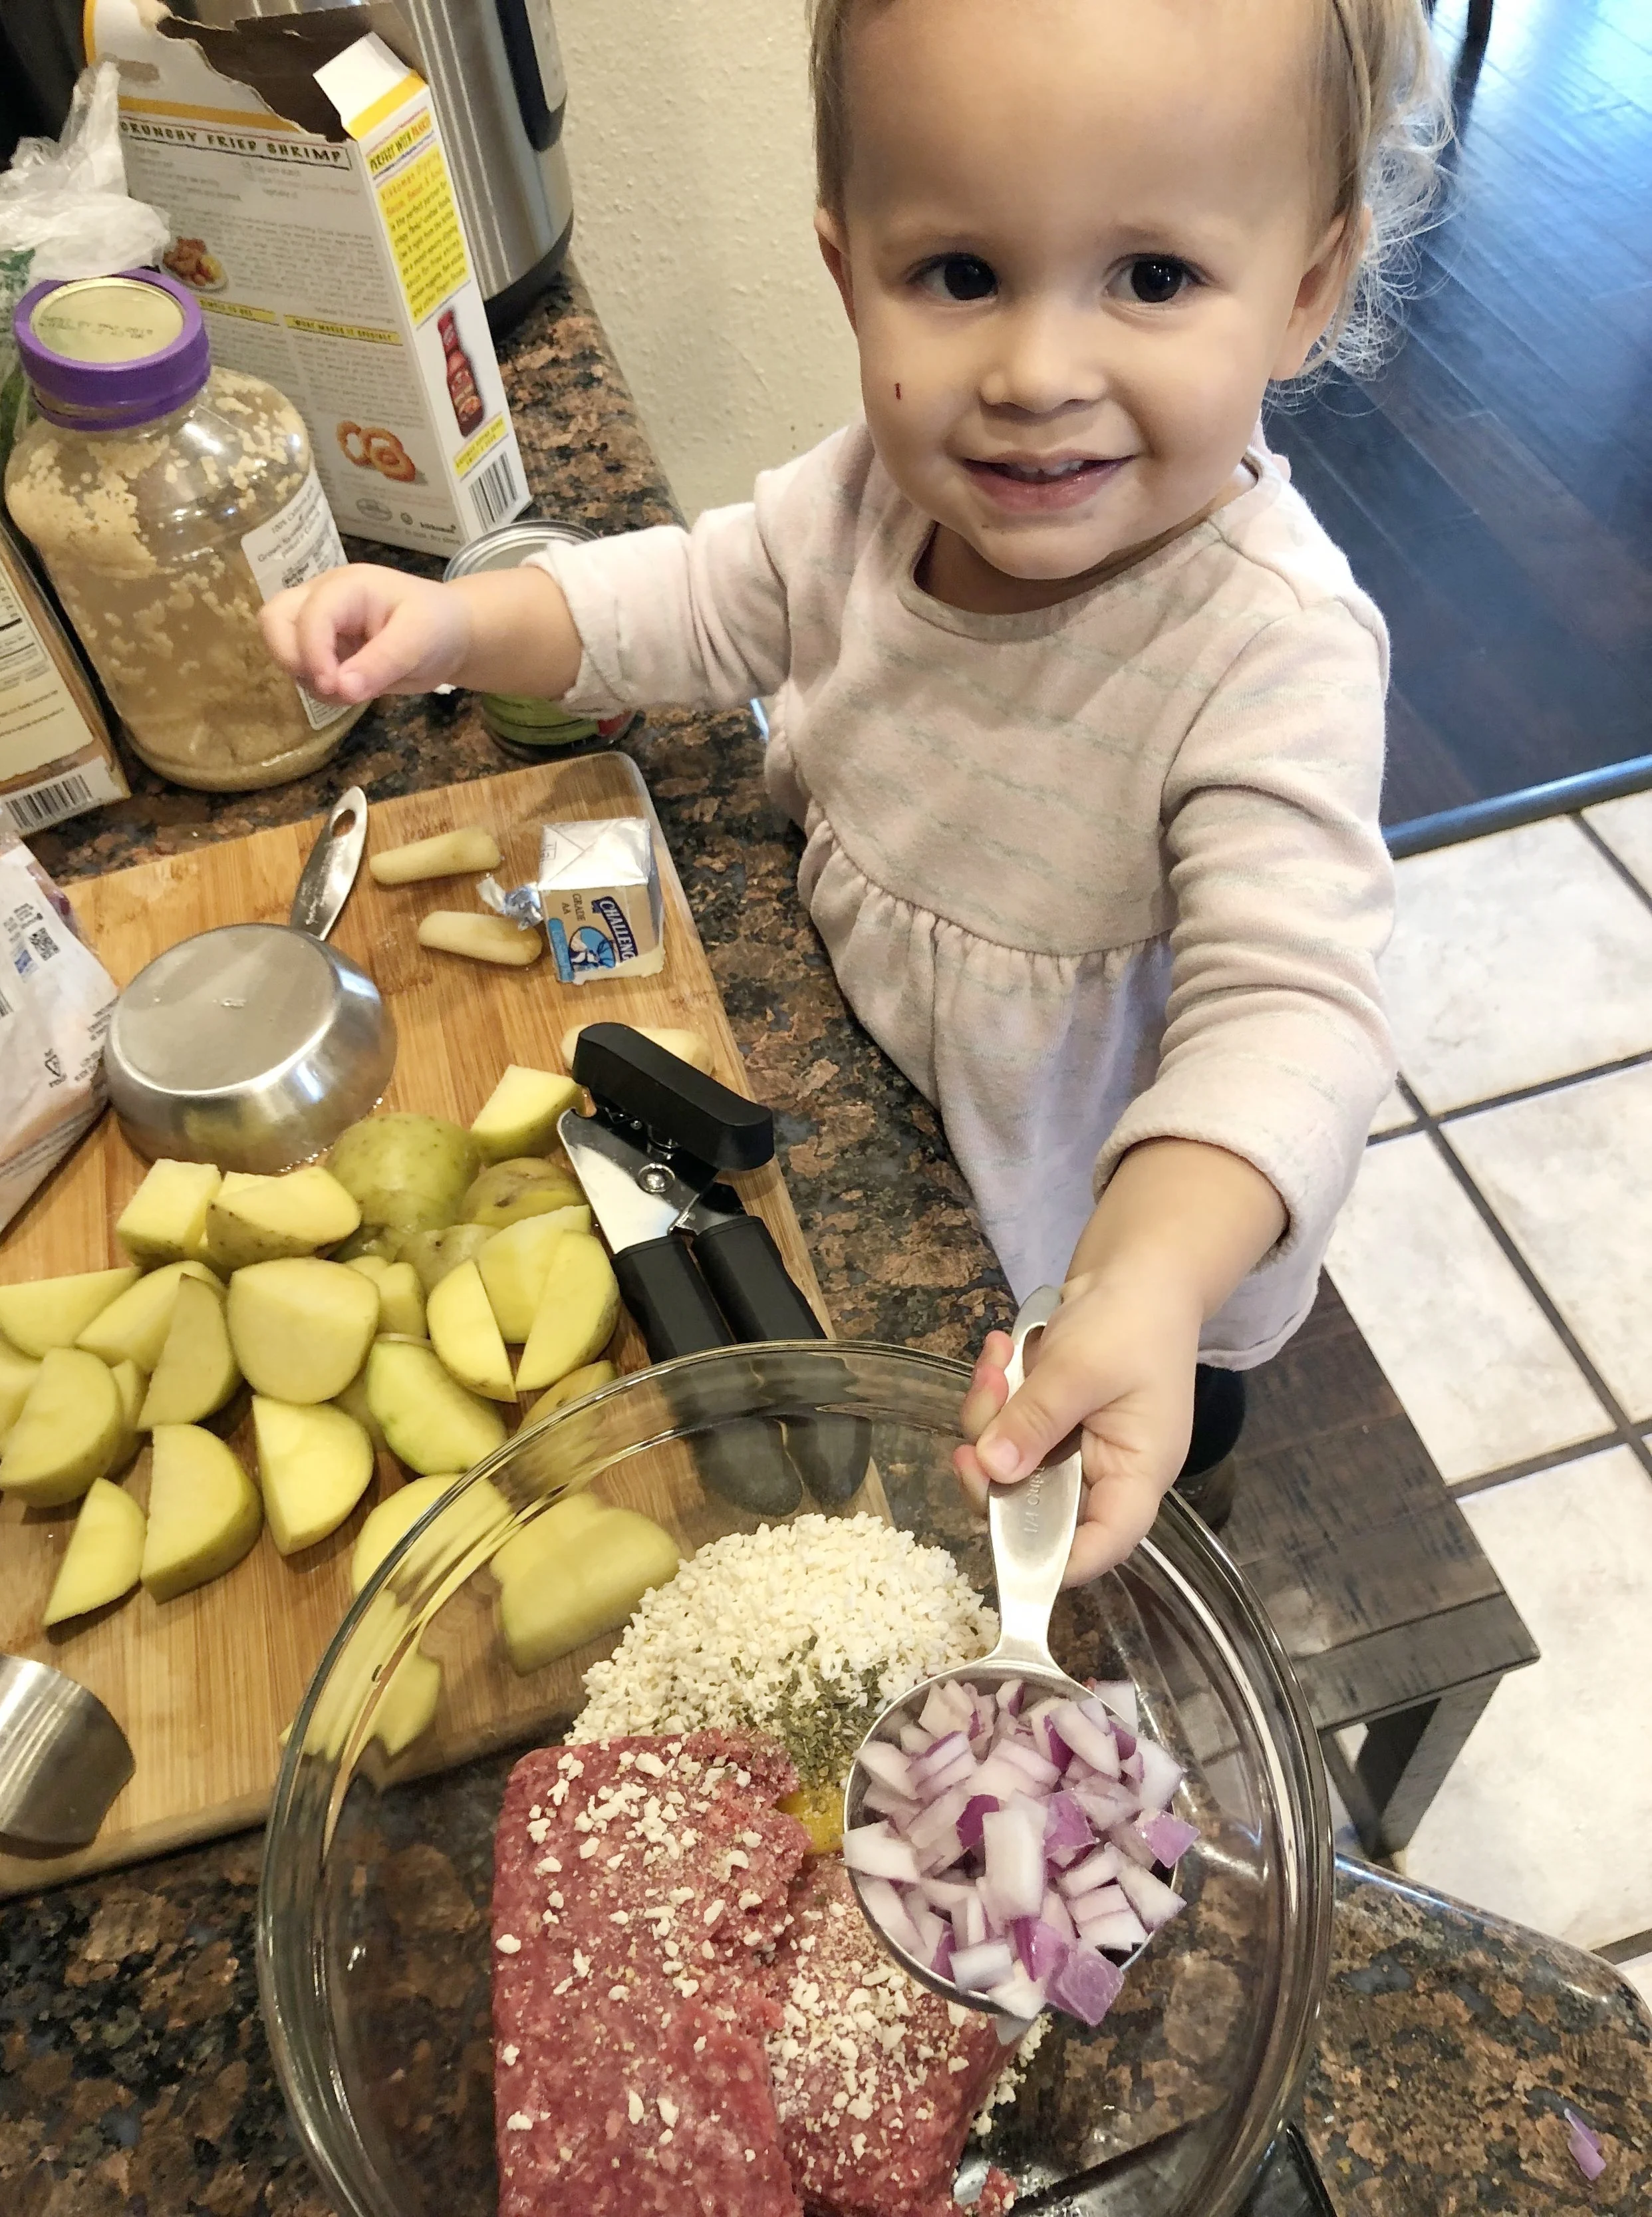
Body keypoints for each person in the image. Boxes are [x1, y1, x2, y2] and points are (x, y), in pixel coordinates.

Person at [260, 0, 1445, 1586]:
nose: (1033, 374)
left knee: (1140, 1446)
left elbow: (1287, 1015)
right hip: (872, 1095)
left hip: (1092, 1232)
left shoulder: (1267, 650)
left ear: (1303, 290)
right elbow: (695, 597)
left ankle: (1186, 1482)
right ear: (847, 269)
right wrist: (459, 625)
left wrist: (1149, 1286)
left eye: (1152, 278)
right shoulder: (872, 499)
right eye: (958, 274)